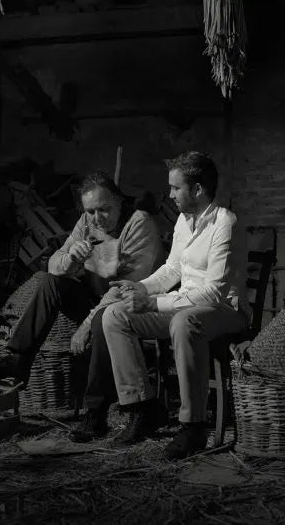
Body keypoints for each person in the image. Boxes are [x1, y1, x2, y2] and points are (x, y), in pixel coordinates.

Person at [0, 172, 164, 441]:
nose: (97, 218)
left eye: (104, 209)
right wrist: (71, 258)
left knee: (102, 321)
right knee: (50, 283)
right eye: (90, 211)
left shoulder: (138, 224)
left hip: (134, 304)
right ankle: (17, 361)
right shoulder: (86, 222)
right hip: (99, 299)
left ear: (119, 201)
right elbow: (53, 265)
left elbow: (125, 288)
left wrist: (85, 326)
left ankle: (95, 413)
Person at [99, 151, 248, 460]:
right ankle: (141, 408)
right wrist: (141, 287)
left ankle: (193, 426)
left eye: (176, 188)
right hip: (185, 305)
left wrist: (153, 303)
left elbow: (213, 294)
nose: (170, 194)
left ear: (197, 189)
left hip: (224, 311)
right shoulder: (183, 220)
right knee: (114, 315)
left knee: (184, 322)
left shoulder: (225, 222)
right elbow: (172, 269)